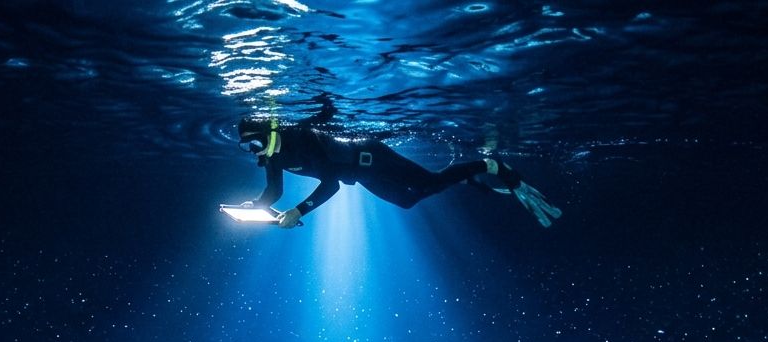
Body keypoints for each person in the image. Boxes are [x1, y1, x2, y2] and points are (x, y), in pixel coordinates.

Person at [235, 111, 563, 228]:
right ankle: (466, 178)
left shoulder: (301, 138)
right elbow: (274, 191)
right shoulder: (273, 155)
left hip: (370, 157)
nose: (254, 153)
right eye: (248, 148)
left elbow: (331, 184)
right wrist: (259, 206)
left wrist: (299, 209)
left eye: (254, 144)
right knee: (408, 202)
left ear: (271, 133)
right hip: (362, 175)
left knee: (429, 184)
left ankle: (490, 165)